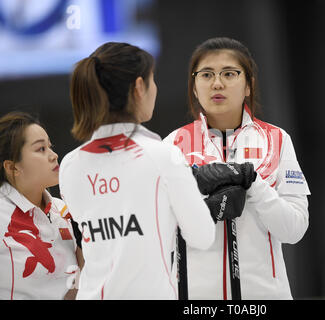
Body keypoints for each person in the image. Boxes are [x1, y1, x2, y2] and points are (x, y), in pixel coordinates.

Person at [59, 42, 215, 299]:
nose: (156, 88)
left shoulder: (70, 165)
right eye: (154, 80)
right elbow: (202, 236)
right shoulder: (162, 155)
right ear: (139, 87)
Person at [164, 37, 310, 299]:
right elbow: (156, 228)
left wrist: (252, 184)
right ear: (194, 87)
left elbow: (294, 229)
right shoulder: (173, 144)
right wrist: (202, 207)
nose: (217, 83)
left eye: (229, 74)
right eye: (206, 74)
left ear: (248, 86)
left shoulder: (277, 139)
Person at [0, 111, 82, 300]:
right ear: (12, 167)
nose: (54, 155)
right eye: (41, 149)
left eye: (50, 147)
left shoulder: (64, 210)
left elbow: (84, 281)